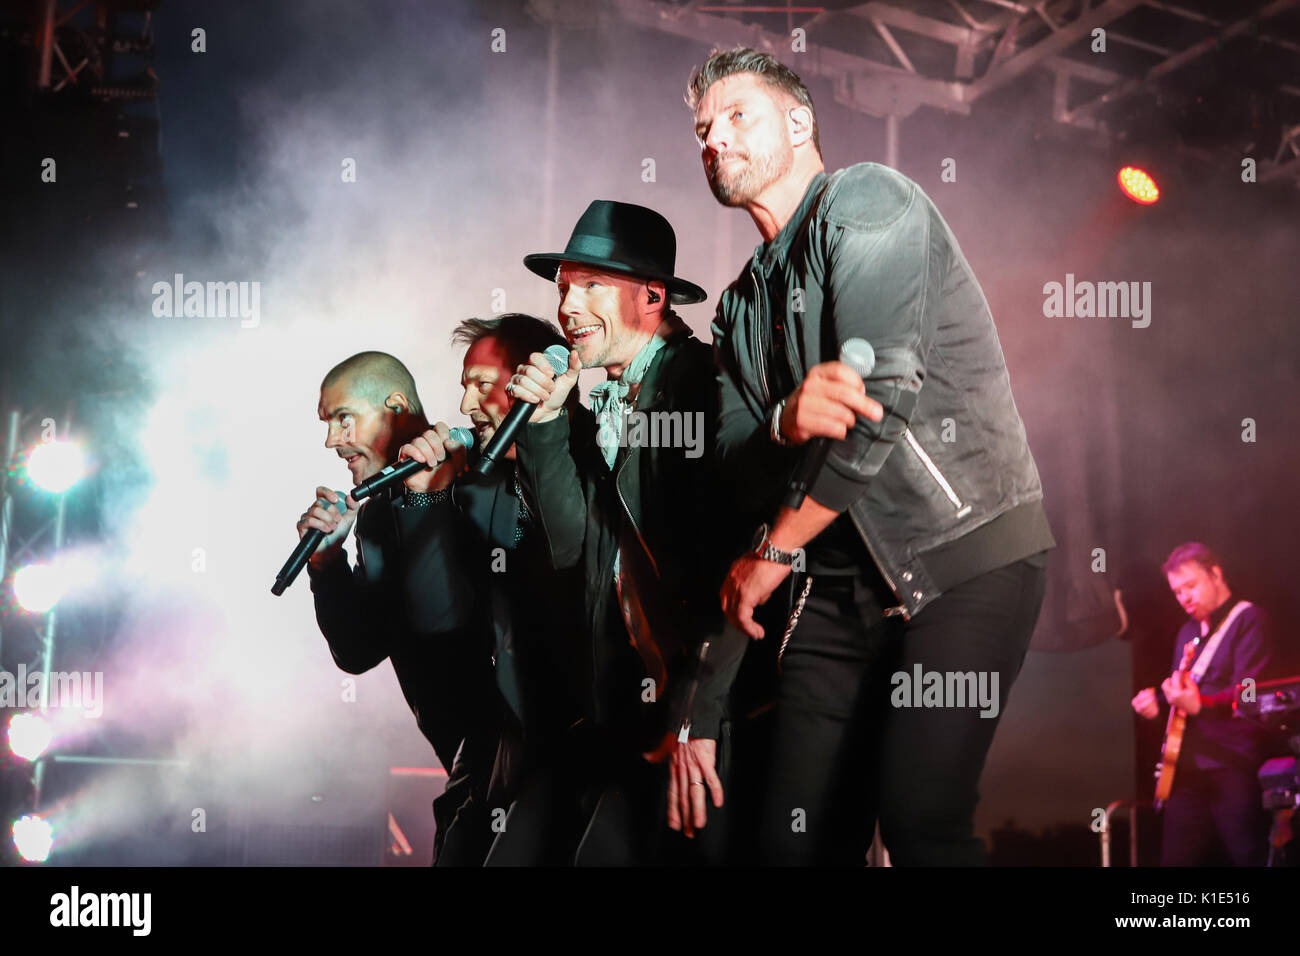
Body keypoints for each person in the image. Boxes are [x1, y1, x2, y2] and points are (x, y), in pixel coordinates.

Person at [688, 47, 1055, 865]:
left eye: (737, 116)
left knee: (921, 819)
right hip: (837, 583)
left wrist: (776, 549)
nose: (715, 139)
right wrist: (784, 419)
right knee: (793, 839)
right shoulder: (739, 309)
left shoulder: (868, 199)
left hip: (965, 557)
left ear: (800, 121)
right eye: (703, 130)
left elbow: (878, 405)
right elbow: (735, 462)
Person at [508, 200, 749, 864]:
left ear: (652, 296)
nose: (567, 308)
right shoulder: (598, 405)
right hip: (638, 714)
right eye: (563, 289)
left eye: (591, 286)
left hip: (716, 716)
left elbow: (730, 568)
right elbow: (572, 550)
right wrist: (549, 423)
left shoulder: (699, 388)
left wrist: (700, 716)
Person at [298, 350, 499, 864]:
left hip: (515, 747)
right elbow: (359, 649)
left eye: (344, 418)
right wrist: (327, 566)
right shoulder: (377, 513)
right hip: (463, 759)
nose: (332, 440)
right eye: (328, 424)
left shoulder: (481, 465)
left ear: (395, 404)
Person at [413, 314, 590, 865]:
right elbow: (439, 613)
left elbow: (548, 550)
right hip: (500, 726)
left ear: (527, 383)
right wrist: (426, 499)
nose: (466, 406)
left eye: (482, 386)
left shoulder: (591, 453)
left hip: (583, 726)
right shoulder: (472, 484)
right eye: (464, 386)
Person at [1131, 542, 1277, 866]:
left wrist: (1202, 705)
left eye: (1191, 586)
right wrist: (1157, 703)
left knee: (1248, 855)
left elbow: (1250, 694)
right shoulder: (1186, 633)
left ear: (1215, 574)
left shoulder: (1249, 619)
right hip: (1184, 771)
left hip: (1233, 767)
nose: (1184, 597)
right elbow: (1182, 698)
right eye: (1177, 591)